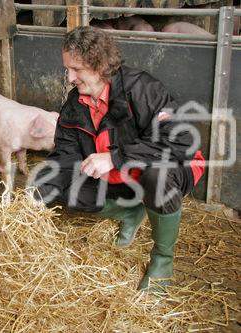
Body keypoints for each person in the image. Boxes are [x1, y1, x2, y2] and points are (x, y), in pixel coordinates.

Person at [33, 26, 205, 291]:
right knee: (54, 184)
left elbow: (181, 141)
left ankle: (161, 263)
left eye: (76, 69)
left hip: (173, 167)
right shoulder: (74, 105)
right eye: (67, 69)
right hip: (123, 177)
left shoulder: (142, 89)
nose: (69, 77)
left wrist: (115, 158)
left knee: (156, 175)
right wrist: (38, 193)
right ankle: (130, 212)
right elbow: (65, 156)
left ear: (99, 65)